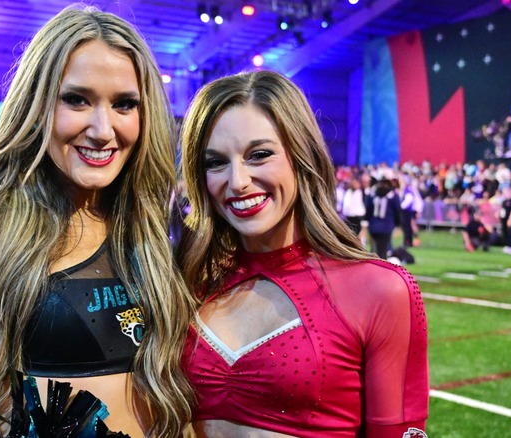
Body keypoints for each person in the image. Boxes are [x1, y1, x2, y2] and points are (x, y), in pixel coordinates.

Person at [0, 6, 194, 438]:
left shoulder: (154, 231)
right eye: (77, 99)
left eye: (124, 104)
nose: (103, 129)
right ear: (37, 104)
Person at [178, 70, 428, 438]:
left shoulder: (381, 289)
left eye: (259, 155)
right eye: (215, 162)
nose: (237, 181)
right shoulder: (190, 283)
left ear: (301, 154)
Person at [365, 176, 402, 259]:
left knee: (374, 249)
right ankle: (380, 268)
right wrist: (398, 224)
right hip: (386, 226)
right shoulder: (393, 196)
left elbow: (368, 211)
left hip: (374, 226)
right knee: (382, 250)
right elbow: (397, 211)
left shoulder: (372, 194)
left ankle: (374, 266)